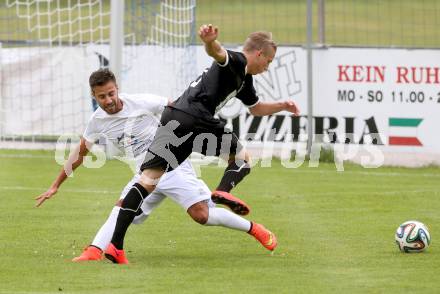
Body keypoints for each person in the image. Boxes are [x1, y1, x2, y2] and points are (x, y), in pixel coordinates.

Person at [35, 68, 278, 264]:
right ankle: (94, 250)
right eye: (102, 96)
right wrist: (55, 184)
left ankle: (254, 229)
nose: (108, 100)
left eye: (111, 93)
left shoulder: (142, 102)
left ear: (117, 89)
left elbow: (178, 109)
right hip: (145, 176)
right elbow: (80, 152)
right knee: (121, 208)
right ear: (93, 96)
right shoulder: (96, 122)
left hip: (173, 166)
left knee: (201, 215)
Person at [107, 24, 300, 263]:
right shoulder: (237, 61)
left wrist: (282, 105)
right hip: (197, 119)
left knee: (147, 181)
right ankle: (221, 192)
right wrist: (209, 41)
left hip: (173, 116)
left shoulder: (245, 80)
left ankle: (116, 246)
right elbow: (218, 53)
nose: (267, 67)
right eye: (268, 61)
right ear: (259, 53)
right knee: (242, 159)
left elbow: (256, 108)